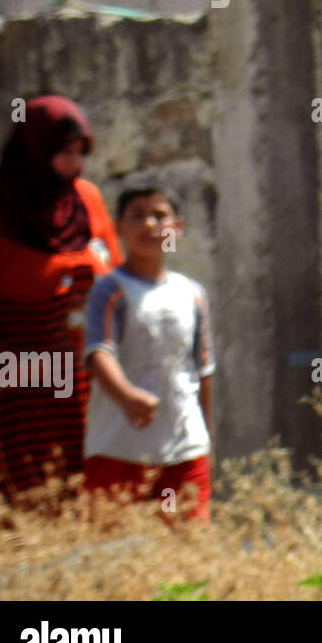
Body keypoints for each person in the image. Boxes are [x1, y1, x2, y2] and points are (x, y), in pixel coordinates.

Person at [0, 96, 121, 506]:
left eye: (80, 153)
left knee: (90, 495)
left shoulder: (86, 199)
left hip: (86, 378)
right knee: (25, 497)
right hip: (20, 381)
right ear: (34, 151)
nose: (75, 165)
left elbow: (115, 275)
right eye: (64, 153)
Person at [82, 187, 214, 522]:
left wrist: (205, 441)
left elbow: (202, 372)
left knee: (186, 551)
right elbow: (98, 353)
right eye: (137, 216)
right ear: (119, 228)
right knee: (116, 555)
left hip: (183, 451)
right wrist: (127, 397)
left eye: (159, 215)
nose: (149, 225)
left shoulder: (192, 294)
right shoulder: (109, 290)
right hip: (119, 449)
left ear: (177, 228)